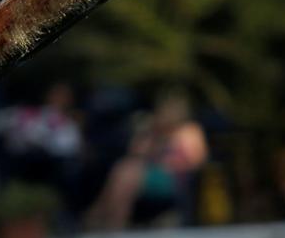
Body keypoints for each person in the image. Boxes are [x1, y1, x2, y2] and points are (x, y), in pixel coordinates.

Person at [85, 91, 208, 230]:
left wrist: (169, 161)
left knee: (127, 172)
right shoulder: (155, 132)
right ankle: (110, 219)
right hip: (147, 174)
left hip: (174, 178)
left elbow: (196, 161)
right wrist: (151, 134)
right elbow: (135, 151)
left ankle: (105, 216)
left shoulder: (188, 131)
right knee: (126, 169)